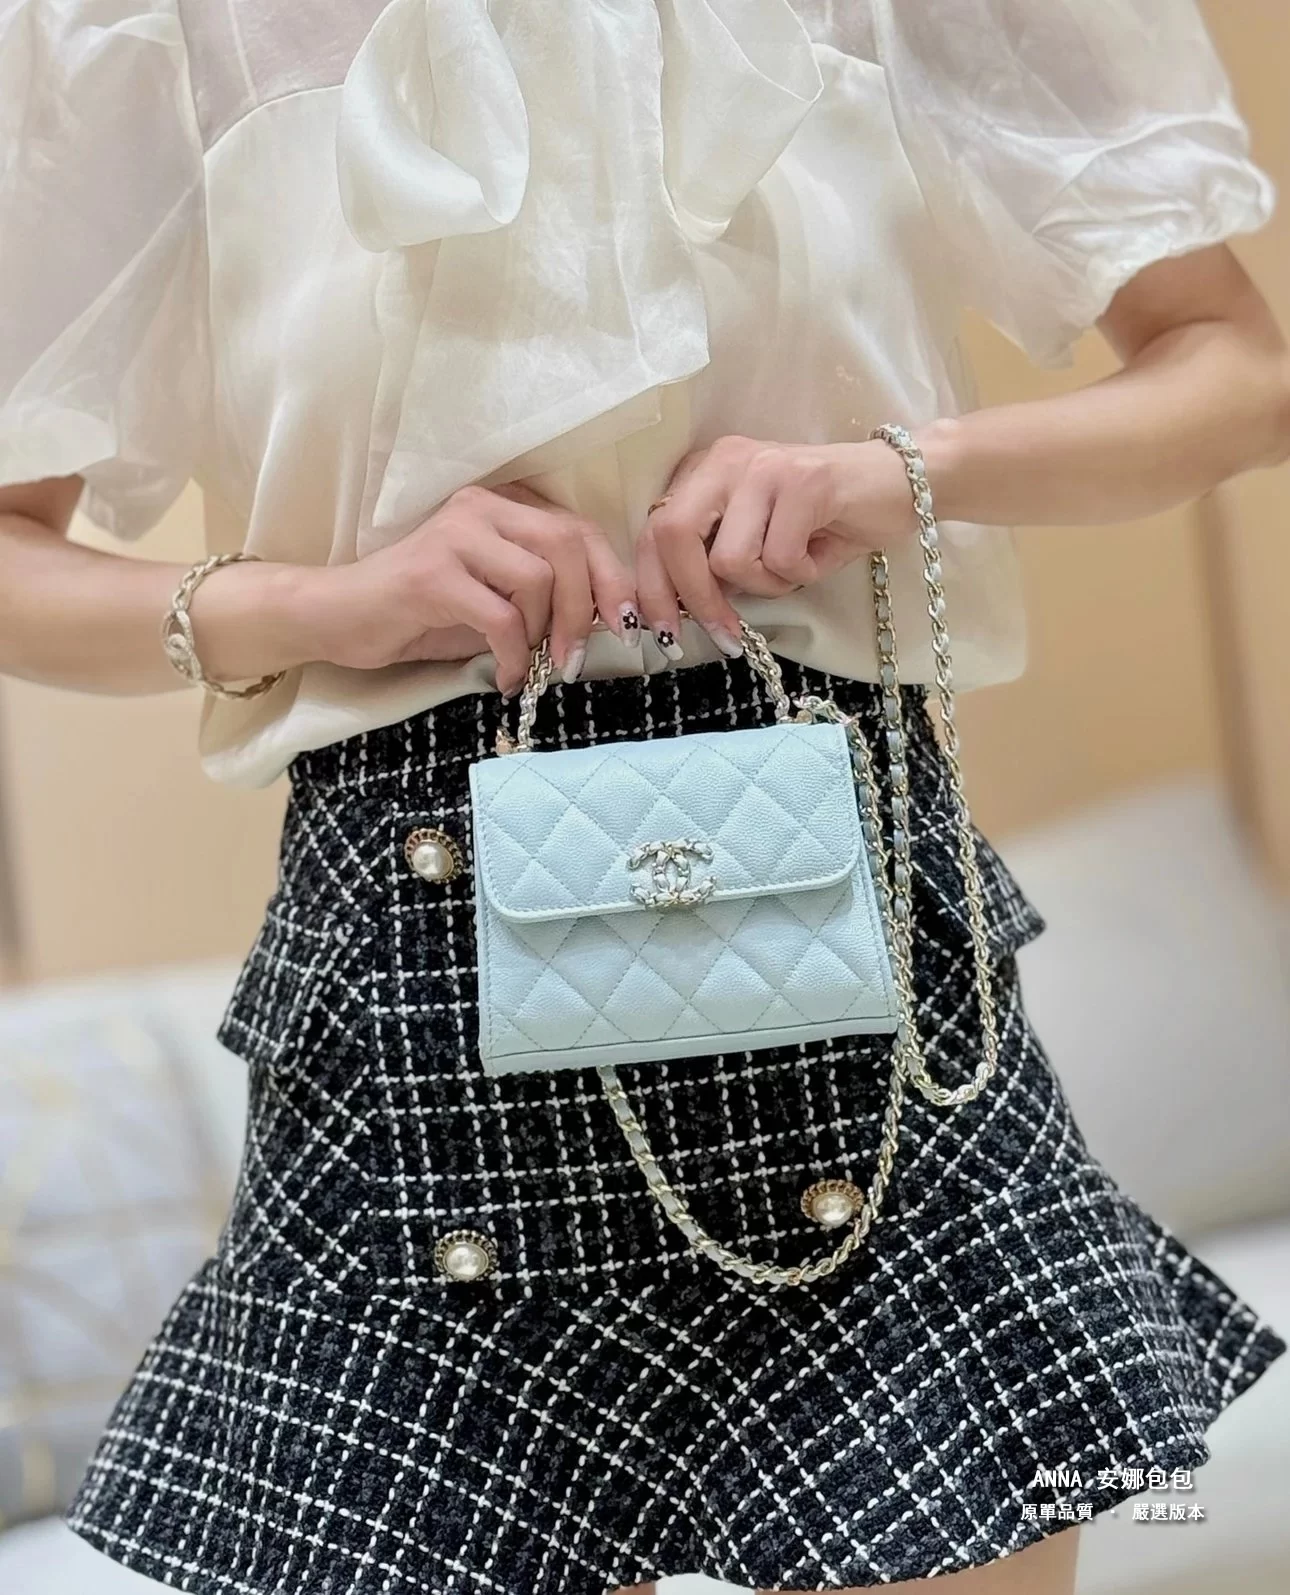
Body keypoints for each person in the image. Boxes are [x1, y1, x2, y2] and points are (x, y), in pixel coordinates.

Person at [2, 2, 1288, 1592]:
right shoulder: (139, 25)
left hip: (855, 963)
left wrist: (888, 473)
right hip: (416, 984)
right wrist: (317, 604)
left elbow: (1235, 370)